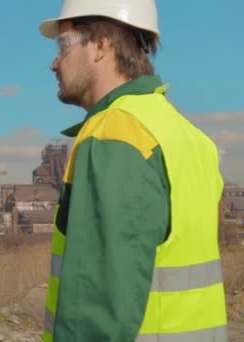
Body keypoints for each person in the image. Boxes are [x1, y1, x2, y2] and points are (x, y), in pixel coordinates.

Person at [37, 1, 228, 341]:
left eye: (63, 47)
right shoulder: (188, 136)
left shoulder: (115, 133)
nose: (53, 63)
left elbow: (95, 313)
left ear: (101, 44)